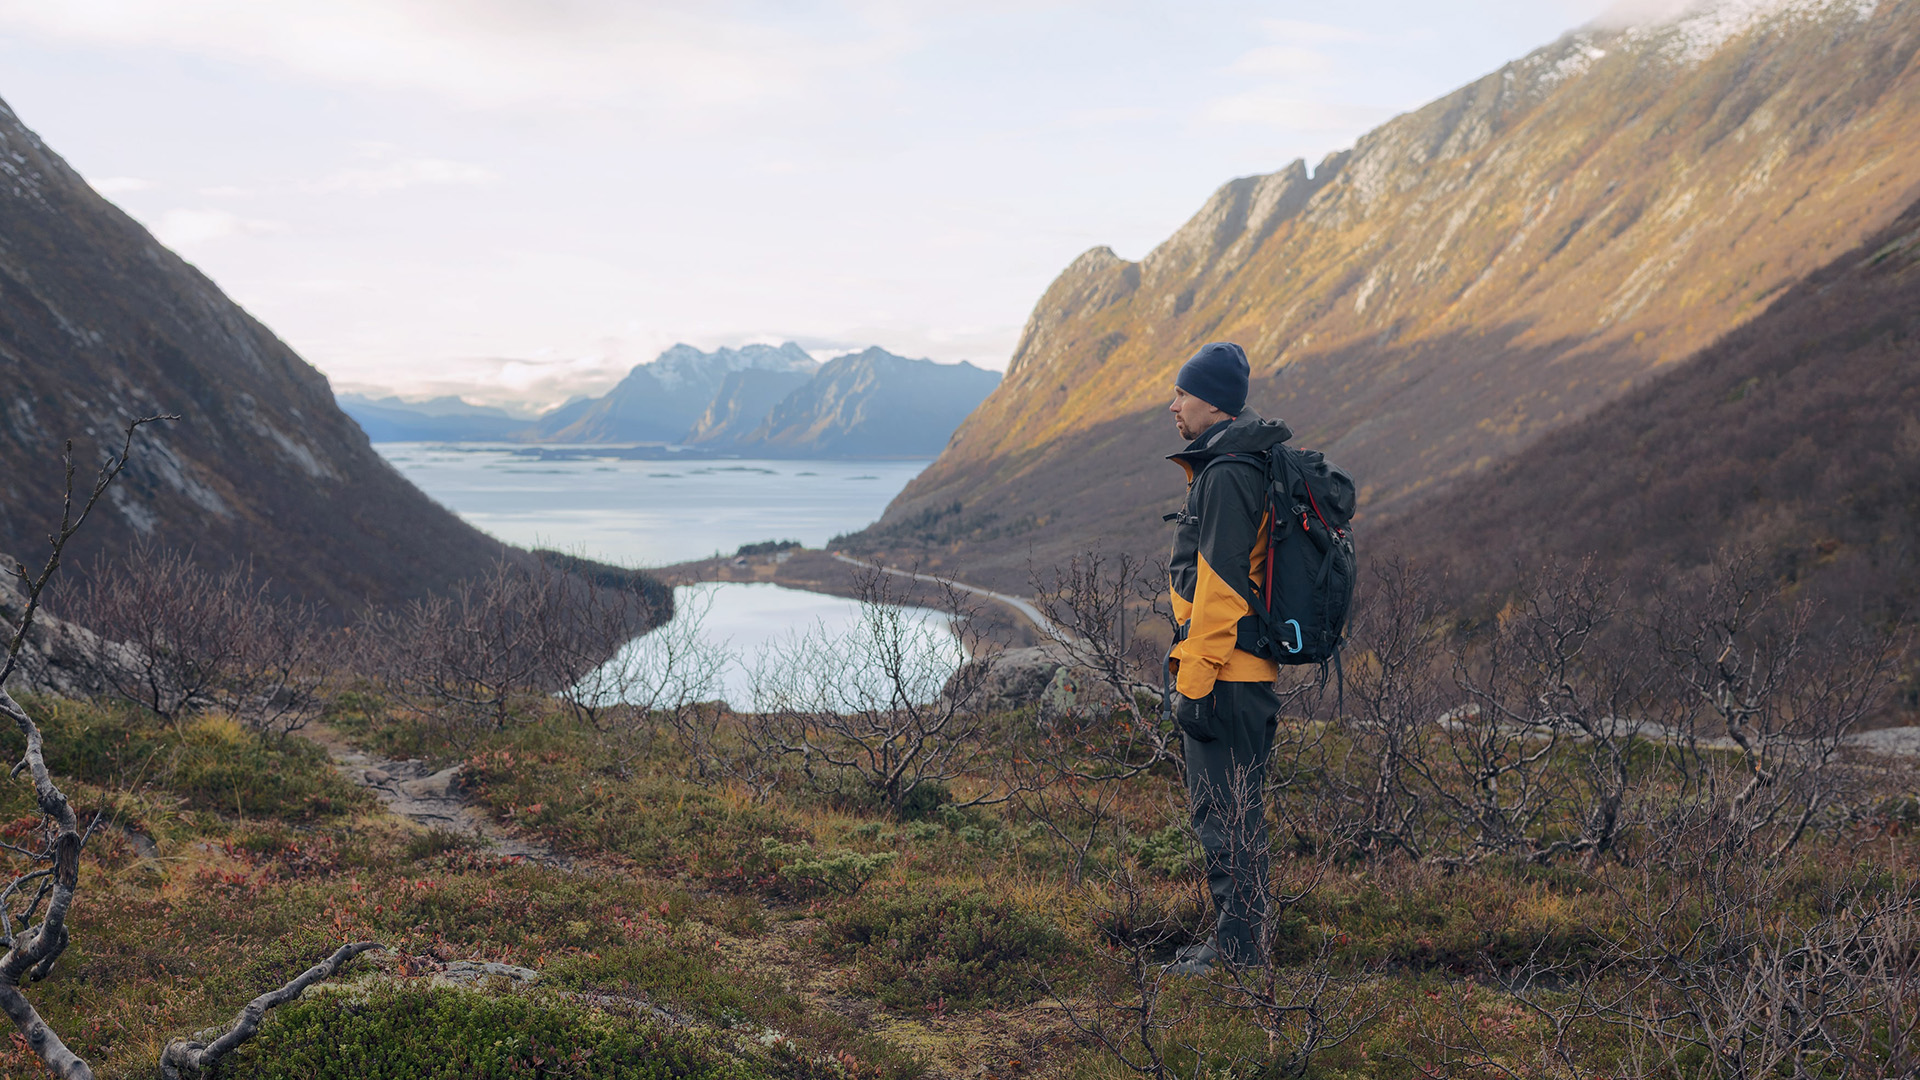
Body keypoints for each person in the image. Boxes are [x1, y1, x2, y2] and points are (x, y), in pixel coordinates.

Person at [1161, 340, 1292, 975]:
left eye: (1181, 394)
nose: (1173, 405)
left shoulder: (1229, 473)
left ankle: (1236, 957)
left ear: (1210, 402)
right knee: (1241, 811)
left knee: (1225, 816)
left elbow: (1219, 590)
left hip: (1225, 677)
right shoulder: (1246, 465)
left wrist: (1194, 684)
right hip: (1243, 675)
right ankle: (1241, 942)